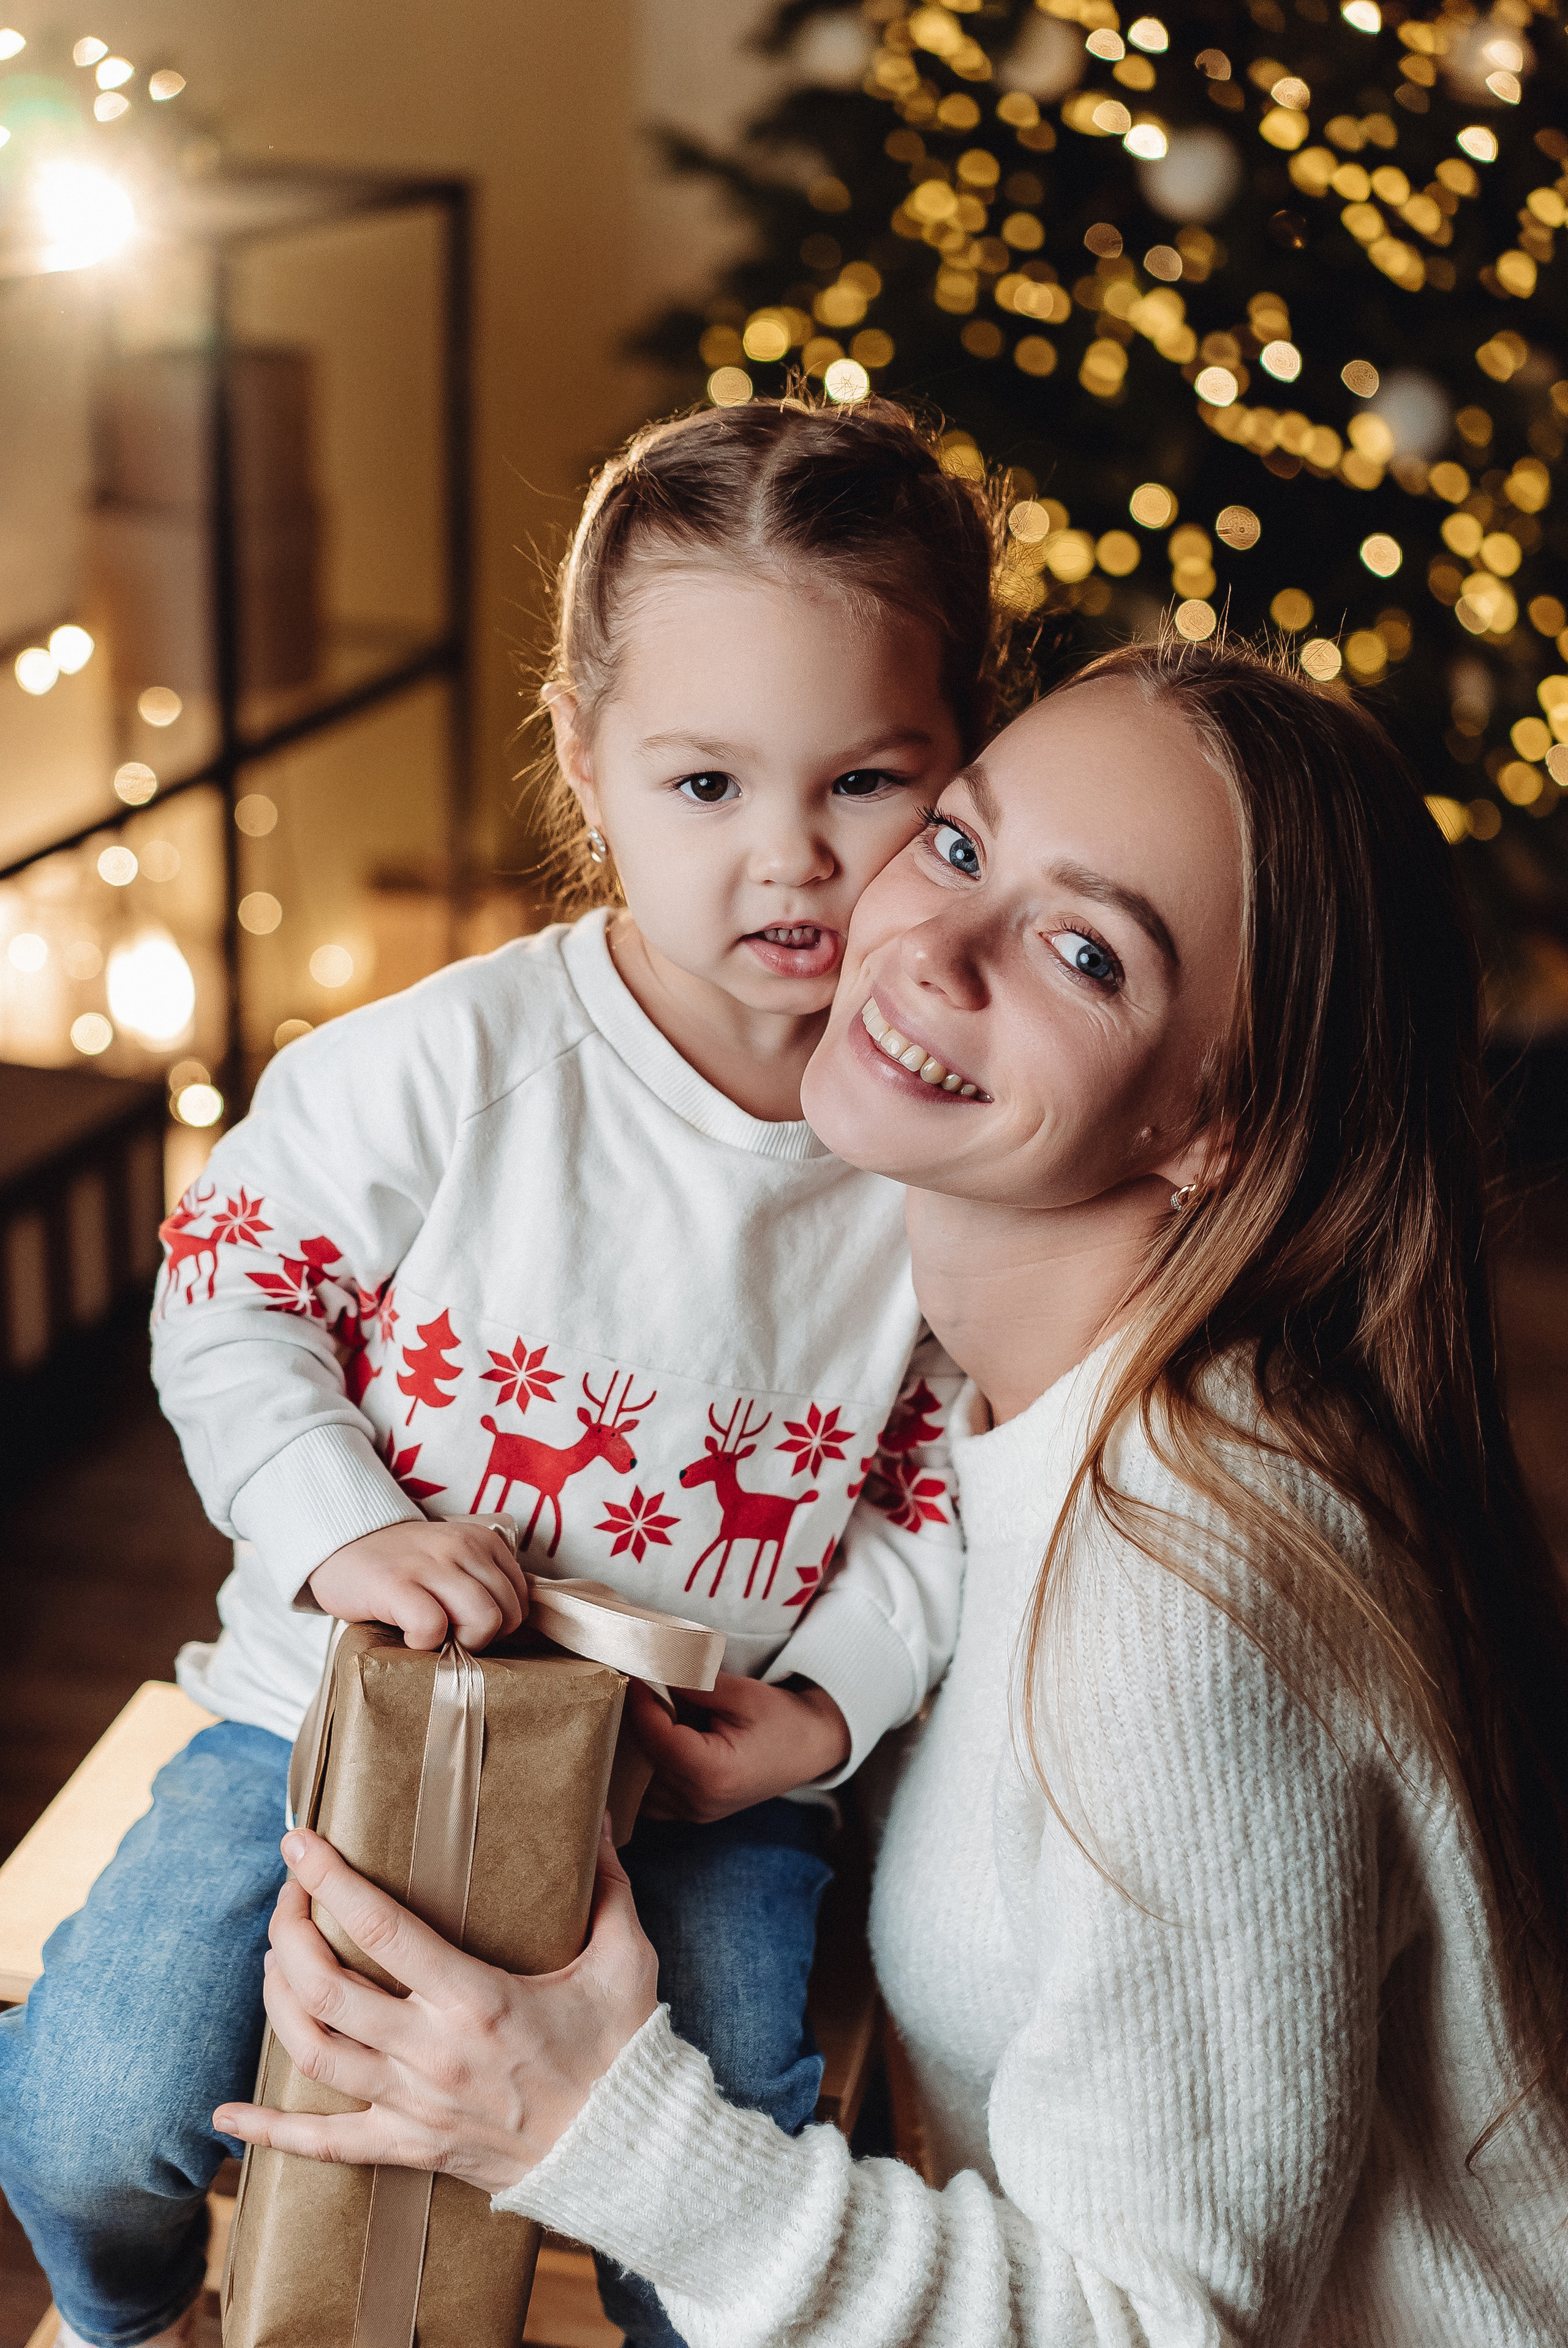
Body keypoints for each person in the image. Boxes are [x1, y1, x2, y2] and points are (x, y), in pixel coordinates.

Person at [224, 638, 1568, 2344]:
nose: (929, 944)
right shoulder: (1011, 1408)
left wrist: (580, 2121)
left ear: (1216, 1124)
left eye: (1084, 951)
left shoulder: (1190, 1600)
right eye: (956, 840)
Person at [0, 395, 1013, 2348]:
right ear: (586, 756)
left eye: (867, 782)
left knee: (710, 2204)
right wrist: (346, 1525)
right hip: (326, 1720)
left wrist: (819, 1715)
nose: (791, 862)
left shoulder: (939, 1149)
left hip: (690, 1793)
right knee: (92, 2120)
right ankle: (135, 2326)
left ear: (961, 768)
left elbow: (942, 1479)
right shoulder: (444, 1066)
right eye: (707, 784)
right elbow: (227, 1297)